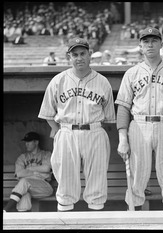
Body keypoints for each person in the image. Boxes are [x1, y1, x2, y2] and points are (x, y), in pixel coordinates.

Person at [115, 27, 163, 211]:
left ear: (161, 43)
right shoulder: (132, 73)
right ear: (140, 45)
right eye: (146, 41)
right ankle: (134, 222)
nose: (150, 44)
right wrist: (122, 138)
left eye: (153, 41)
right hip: (139, 125)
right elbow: (123, 108)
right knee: (136, 179)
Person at [38, 37, 116, 212]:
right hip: (67, 131)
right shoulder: (58, 81)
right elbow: (47, 113)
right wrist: (57, 130)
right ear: (69, 57)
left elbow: (109, 116)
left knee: (97, 182)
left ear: (89, 55)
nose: (79, 57)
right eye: (75, 54)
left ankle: (96, 218)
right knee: (65, 182)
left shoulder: (102, 82)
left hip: (94, 131)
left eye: (82, 53)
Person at [3, 132, 53, 212]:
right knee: (24, 194)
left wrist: (28, 170)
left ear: (36, 142)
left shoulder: (46, 154)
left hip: (44, 187)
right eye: (25, 142)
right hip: (26, 187)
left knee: (24, 182)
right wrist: (37, 171)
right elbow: (18, 174)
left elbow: (46, 168)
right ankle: (22, 219)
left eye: (29, 141)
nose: (26, 144)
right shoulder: (22, 157)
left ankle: (7, 208)